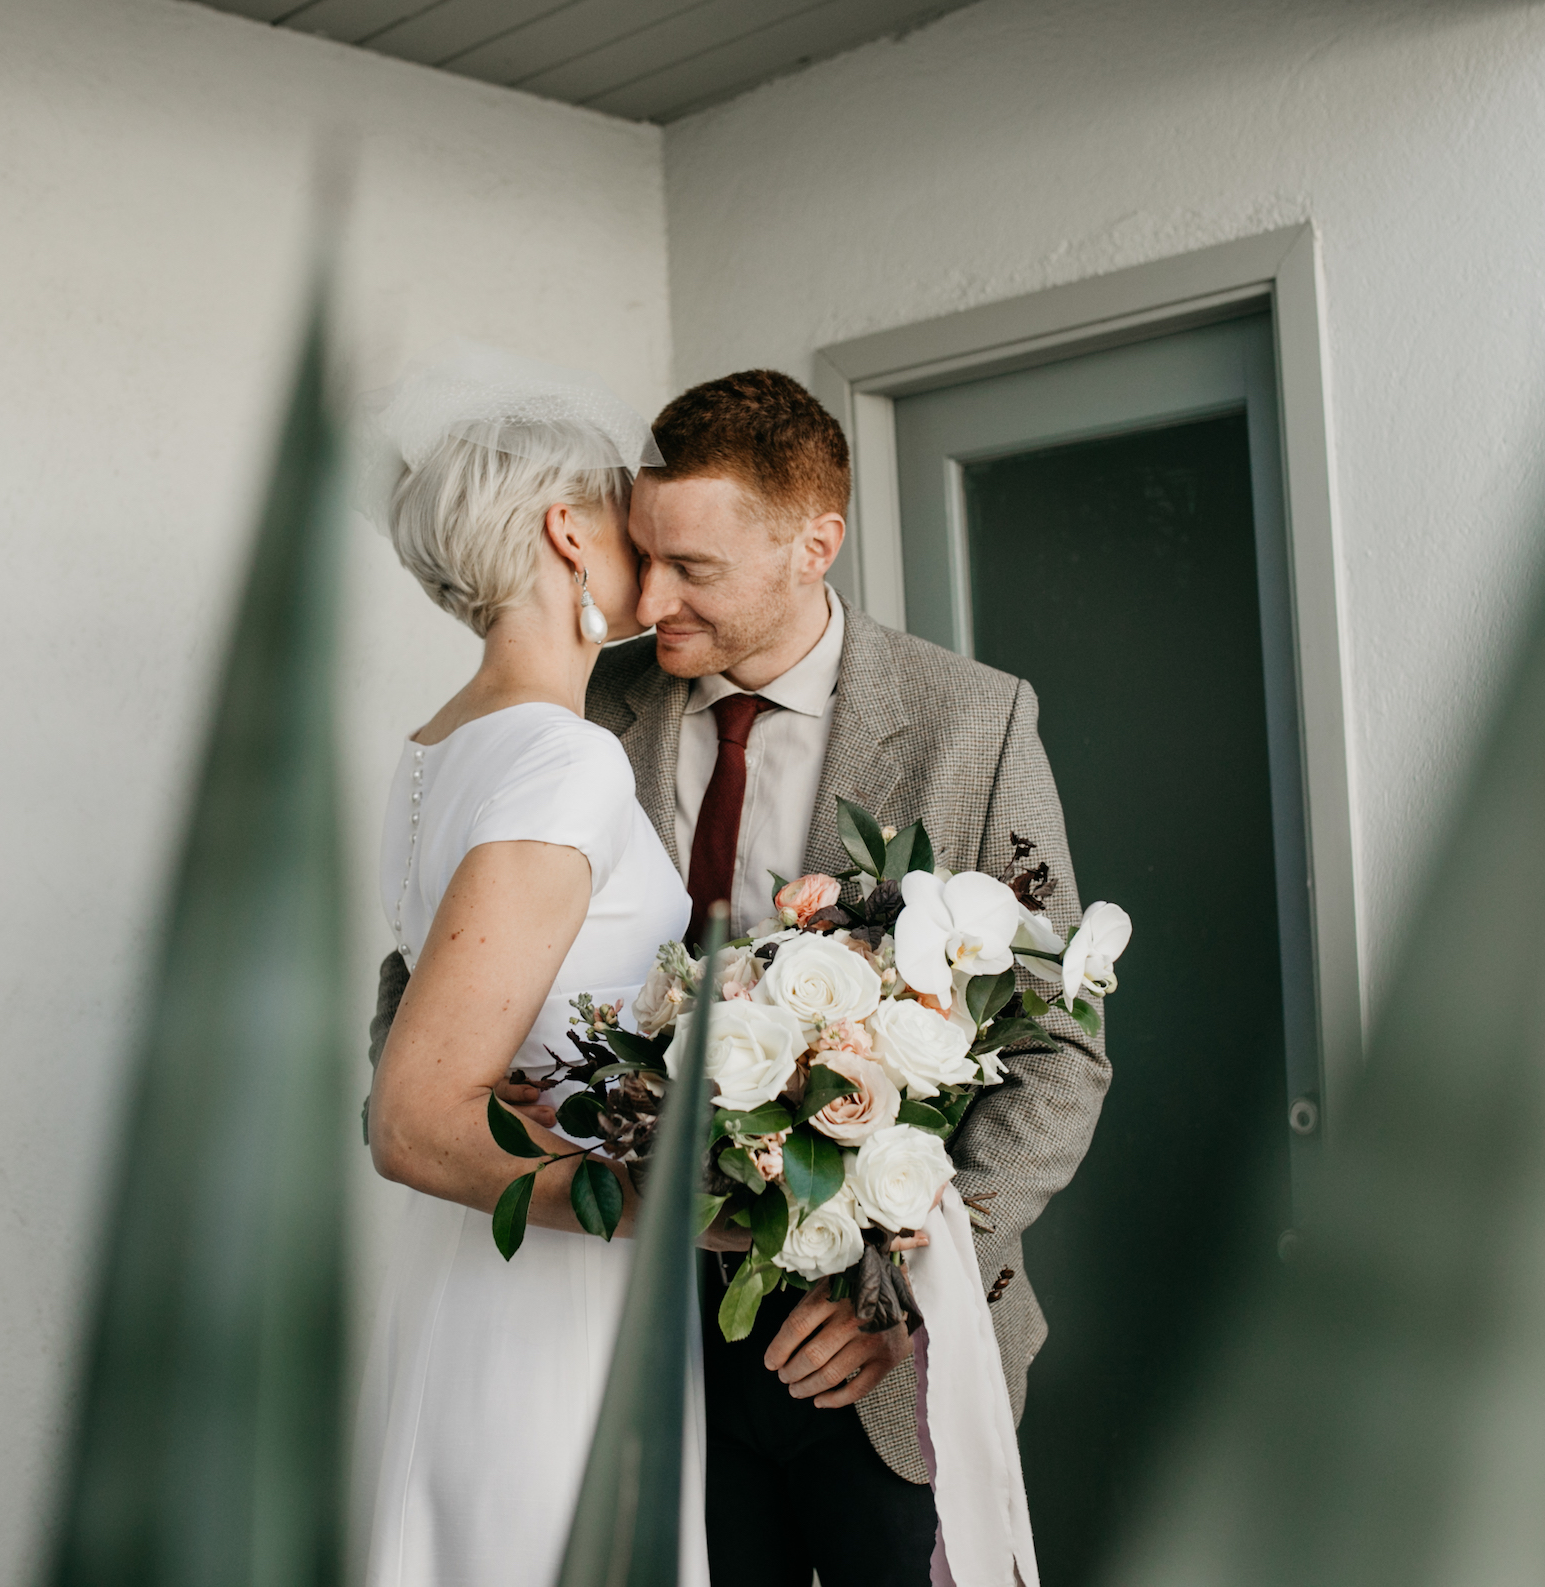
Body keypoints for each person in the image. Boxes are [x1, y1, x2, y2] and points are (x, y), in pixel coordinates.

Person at [372, 367, 1110, 1586]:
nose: (651, 593)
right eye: (643, 552)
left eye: (694, 568)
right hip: (633, 1335)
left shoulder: (969, 722)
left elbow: (1058, 1043)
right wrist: (456, 1129)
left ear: (811, 544)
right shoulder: (580, 711)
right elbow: (426, 994)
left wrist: (904, 1284)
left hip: (869, 1352)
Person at [353, 342, 706, 1587]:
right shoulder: (566, 759)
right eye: (632, 533)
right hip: (549, 1295)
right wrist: (675, 1198)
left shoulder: (432, 748)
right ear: (567, 532)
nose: (655, 569)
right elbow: (413, 1116)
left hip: (467, 1268)